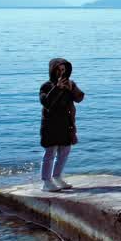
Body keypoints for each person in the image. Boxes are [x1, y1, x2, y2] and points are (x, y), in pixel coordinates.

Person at [39, 57, 83, 192]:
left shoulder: (70, 84)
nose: (61, 73)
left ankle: (57, 177)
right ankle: (46, 181)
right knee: (50, 152)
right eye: (58, 70)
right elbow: (46, 103)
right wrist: (57, 88)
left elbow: (80, 98)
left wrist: (72, 89)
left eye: (63, 70)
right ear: (53, 71)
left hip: (66, 124)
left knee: (64, 151)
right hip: (50, 124)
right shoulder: (46, 86)